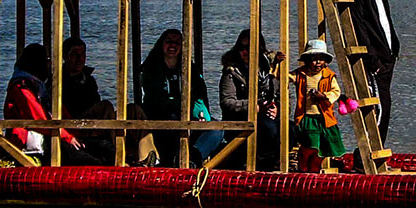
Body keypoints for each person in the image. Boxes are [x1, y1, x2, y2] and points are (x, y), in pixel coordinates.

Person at [58, 37, 158, 165]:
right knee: (105, 106)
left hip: (97, 121)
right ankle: (119, 156)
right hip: (76, 123)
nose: (80, 58)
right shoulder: (59, 80)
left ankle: (148, 158)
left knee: (134, 111)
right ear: (65, 57)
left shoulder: (88, 79)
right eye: (74, 54)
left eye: (83, 54)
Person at [4, 43, 103, 166]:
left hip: (54, 134)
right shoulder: (22, 87)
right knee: (91, 161)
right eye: (46, 61)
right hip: (36, 143)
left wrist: (75, 133)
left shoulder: (39, 86)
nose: (49, 64)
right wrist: (68, 137)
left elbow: (60, 111)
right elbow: (40, 119)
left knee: (102, 148)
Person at [139, 29, 223, 165]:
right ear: (161, 44)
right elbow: (156, 99)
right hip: (160, 118)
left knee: (217, 129)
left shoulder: (191, 69)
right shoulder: (150, 68)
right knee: (173, 121)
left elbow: (199, 94)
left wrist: (202, 113)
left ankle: (192, 159)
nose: (173, 46)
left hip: (188, 115)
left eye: (177, 43)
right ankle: (172, 160)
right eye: (169, 42)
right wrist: (182, 106)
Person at [344, 0, 400, 143]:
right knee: (378, 106)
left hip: (388, 54)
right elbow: (358, 26)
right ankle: (366, 156)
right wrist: (371, 60)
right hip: (374, 59)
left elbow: (385, 18)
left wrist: (394, 46)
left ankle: (376, 151)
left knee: (386, 106)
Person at [218, 29, 284, 169]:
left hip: (267, 114)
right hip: (241, 118)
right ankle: (261, 165)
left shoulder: (270, 70)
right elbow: (227, 102)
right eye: (242, 48)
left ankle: (273, 162)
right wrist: (253, 107)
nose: (245, 52)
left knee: (291, 129)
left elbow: (282, 96)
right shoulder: (231, 71)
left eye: (250, 48)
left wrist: (277, 108)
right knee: (269, 128)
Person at [292, 39, 346, 172]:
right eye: (314, 59)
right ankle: (303, 168)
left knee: (321, 150)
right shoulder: (300, 74)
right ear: (307, 60)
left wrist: (324, 96)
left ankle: (314, 170)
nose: (317, 62)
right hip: (308, 117)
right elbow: (282, 77)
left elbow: (336, 92)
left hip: (324, 118)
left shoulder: (329, 75)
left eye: (321, 59)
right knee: (310, 146)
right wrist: (277, 63)